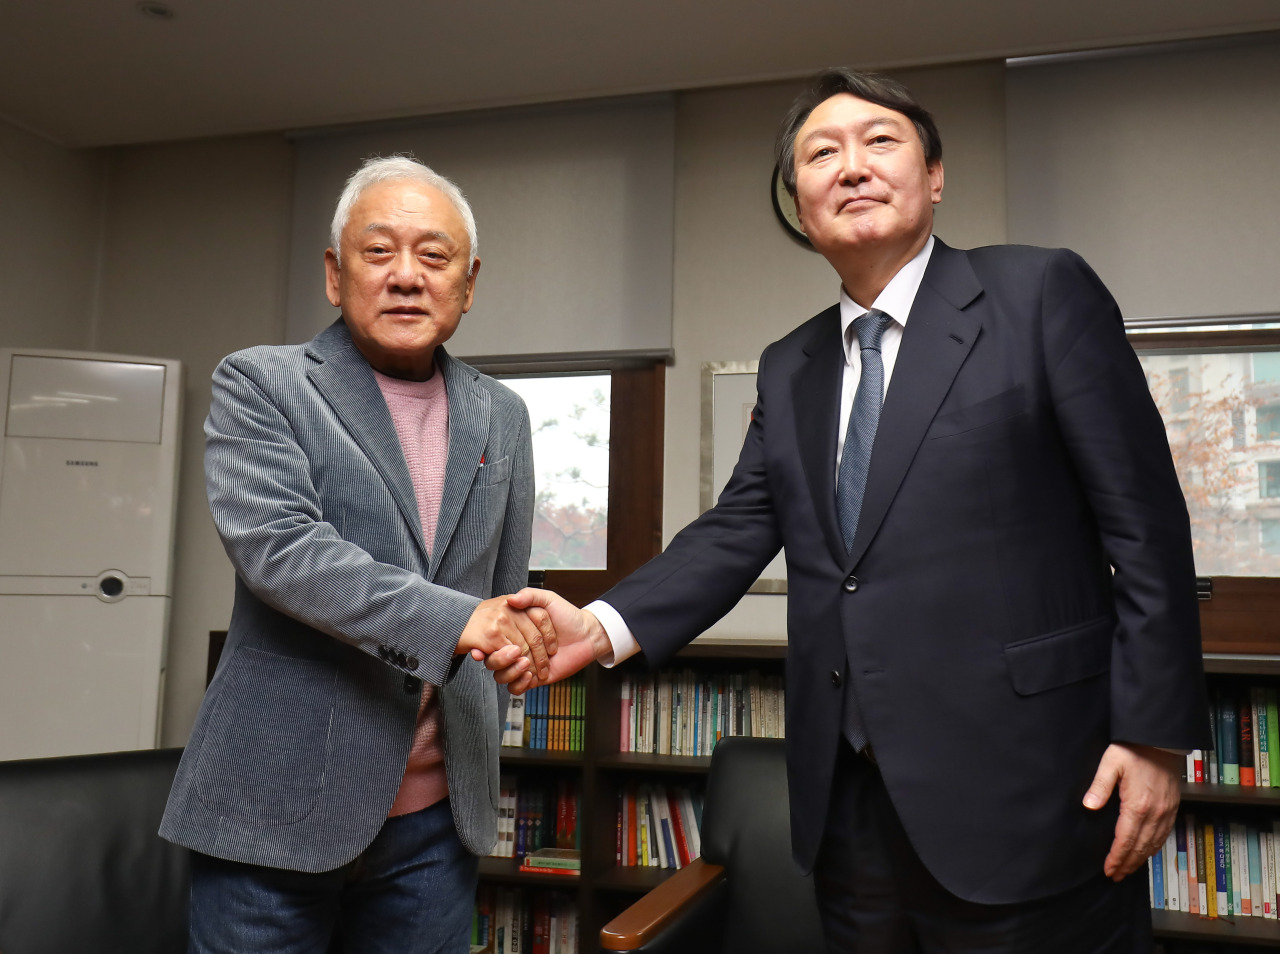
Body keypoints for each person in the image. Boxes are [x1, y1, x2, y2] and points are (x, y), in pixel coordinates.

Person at [500, 70, 1210, 952]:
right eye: (821, 152)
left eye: (881, 141)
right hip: (849, 814)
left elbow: (1145, 526)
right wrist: (599, 624)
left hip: (1029, 792)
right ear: (800, 207)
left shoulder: (1037, 296)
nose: (853, 166)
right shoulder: (791, 364)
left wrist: (1153, 737)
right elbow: (737, 527)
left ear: (935, 175)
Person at [161, 155, 554, 953]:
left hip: (439, 828)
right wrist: (463, 623)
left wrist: (516, 641)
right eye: (379, 252)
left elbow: (501, 587)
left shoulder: (503, 414)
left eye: (433, 256)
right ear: (336, 276)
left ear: (468, 284)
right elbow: (282, 551)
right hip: (273, 812)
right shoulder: (263, 383)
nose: (407, 276)